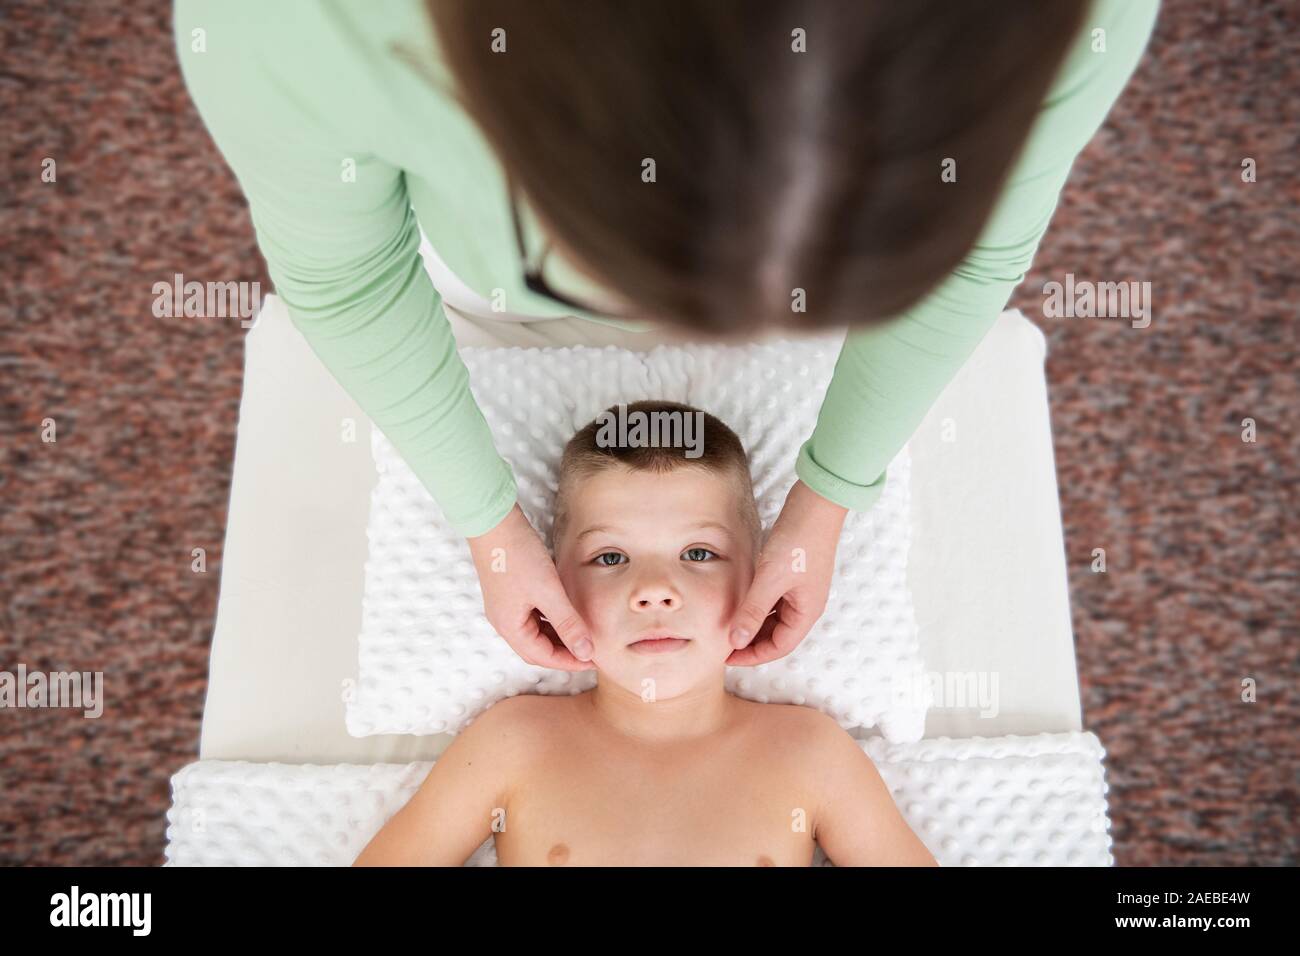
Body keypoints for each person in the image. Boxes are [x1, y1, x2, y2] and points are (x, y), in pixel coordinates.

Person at [174, 0, 1159, 671]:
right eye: (605, 555)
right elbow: (347, 274)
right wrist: (483, 522)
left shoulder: (1080, 25)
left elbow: (982, 261)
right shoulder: (291, 26)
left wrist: (827, 501)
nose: (653, 593)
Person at [352, 400, 937, 865]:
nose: (654, 589)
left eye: (699, 552)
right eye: (610, 558)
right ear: (552, 584)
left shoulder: (812, 753)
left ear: (761, 575)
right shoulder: (513, 743)